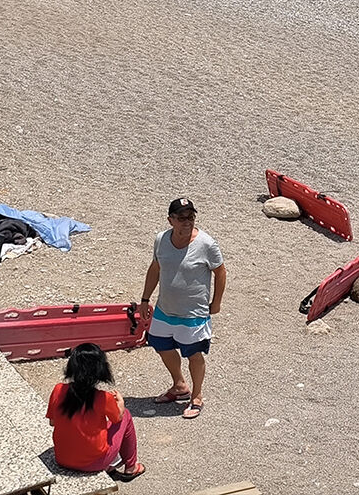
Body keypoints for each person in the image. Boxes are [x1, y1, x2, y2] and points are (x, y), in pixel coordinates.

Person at [140, 198, 226, 419]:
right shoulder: (161, 239)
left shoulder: (207, 244)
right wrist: (145, 299)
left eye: (191, 217)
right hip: (164, 310)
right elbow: (155, 267)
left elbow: (220, 272)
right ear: (171, 220)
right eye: (182, 218)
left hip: (193, 313)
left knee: (194, 355)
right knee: (160, 345)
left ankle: (196, 396)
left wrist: (216, 303)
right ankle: (179, 385)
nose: (187, 222)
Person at [46, 344, 145, 482]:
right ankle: (131, 467)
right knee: (126, 415)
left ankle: (115, 464)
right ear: (100, 369)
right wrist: (120, 404)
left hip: (62, 458)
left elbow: (53, 422)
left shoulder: (58, 389)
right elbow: (117, 419)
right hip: (94, 463)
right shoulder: (103, 397)